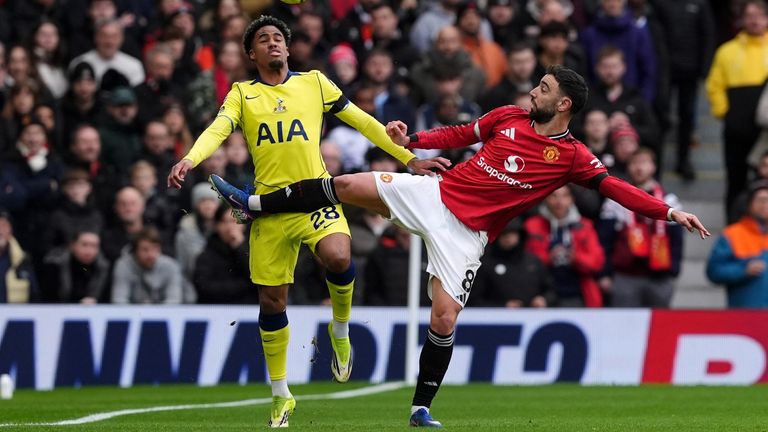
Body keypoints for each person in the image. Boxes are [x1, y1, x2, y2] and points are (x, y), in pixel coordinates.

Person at [207, 65, 710, 427]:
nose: (533, 91)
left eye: (544, 88)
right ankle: (255, 202)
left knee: (444, 319)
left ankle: (420, 408)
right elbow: (458, 133)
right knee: (346, 184)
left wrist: (668, 212)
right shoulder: (508, 116)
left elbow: (618, 188)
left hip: (467, 235)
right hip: (435, 195)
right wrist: (414, 141)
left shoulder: (573, 156)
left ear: (563, 106)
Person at [166, 15, 445, 428]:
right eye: (263, 39)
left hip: (316, 198)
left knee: (337, 255)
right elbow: (219, 128)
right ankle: (281, 395)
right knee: (272, 302)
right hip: (272, 210)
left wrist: (409, 158)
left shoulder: (314, 82)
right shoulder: (243, 93)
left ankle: (340, 328)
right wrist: (191, 157)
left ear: (288, 46)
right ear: (251, 53)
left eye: (279, 37)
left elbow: (364, 121)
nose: (273, 43)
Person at [707, 180, 768, 307]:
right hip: (745, 315)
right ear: (749, 204)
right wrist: (743, 270)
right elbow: (714, 271)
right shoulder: (733, 234)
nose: (766, 205)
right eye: (762, 200)